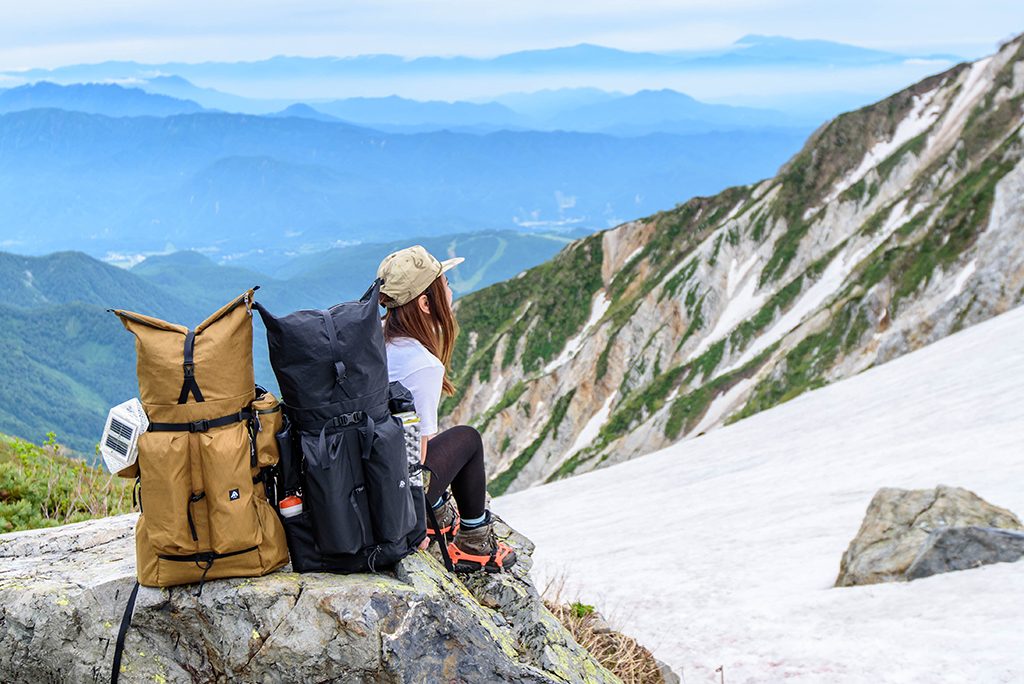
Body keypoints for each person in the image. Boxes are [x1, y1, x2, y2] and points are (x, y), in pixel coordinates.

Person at [377, 245, 516, 573]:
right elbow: (418, 458)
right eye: (446, 283)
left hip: (363, 483)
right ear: (425, 303)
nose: (451, 289)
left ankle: (438, 514)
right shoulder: (420, 364)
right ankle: (474, 543)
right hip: (394, 499)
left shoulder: (371, 337)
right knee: (467, 439)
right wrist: (419, 517)